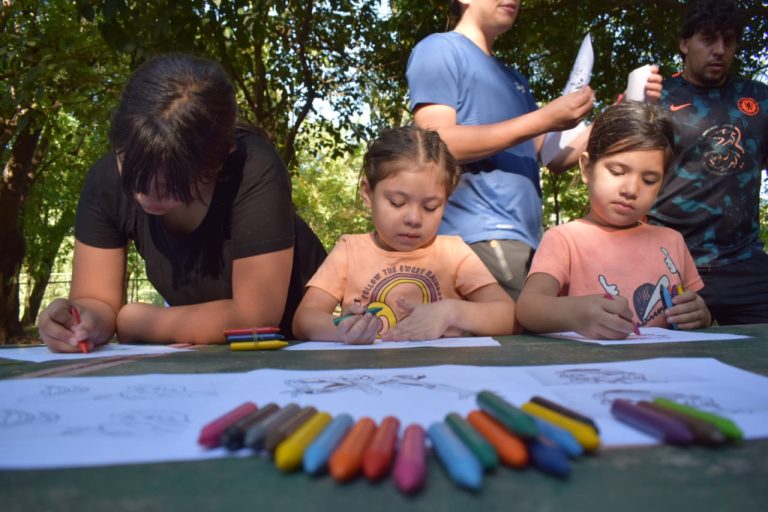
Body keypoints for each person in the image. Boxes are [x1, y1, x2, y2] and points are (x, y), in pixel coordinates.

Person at [37, 53, 326, 352]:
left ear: (219, 158)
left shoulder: (253, 167)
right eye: (134, 173)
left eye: (172, 184)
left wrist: (134, 321)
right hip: (208, 357)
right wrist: (82, 321)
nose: (147, 196)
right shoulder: (105, 183)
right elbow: (96, 300)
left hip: (304, 345)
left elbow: (255, 317)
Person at [406, 0, 663, 300]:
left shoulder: (515, 80)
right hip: (475, 239)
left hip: (526, 244)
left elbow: (554, 157)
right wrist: (545, 118)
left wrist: (620, 109)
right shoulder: (439, 48)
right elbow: (435, 143)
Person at [292, 126, 517, 344]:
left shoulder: (454, 254)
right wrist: (341, 330)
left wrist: (452, 312)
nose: (414, 219)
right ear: (368, 193)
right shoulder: (349, 251)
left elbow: (509, 317)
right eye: (397, 203)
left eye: (430, 207)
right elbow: (303, 320)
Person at [516, 102, 711, 339]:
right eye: (617, 172)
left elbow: (694, 306)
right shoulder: (564, 239)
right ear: (587, 168)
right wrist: (575, 313)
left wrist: (700, 314)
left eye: (649, 180)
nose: (631, 189)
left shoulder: (672, 242)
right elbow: (528, 308)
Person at [646, 0, 768, 325]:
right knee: (662, 354)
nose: (720, 50)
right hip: (670, 261)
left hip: (744, 261)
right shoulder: (656, 98)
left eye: (728, 40)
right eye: (709, 39)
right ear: (685, 43)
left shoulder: (759, 97)